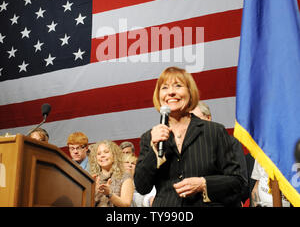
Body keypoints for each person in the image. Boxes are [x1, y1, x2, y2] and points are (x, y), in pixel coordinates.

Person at [134, 66, 247, 207]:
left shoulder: (214, 131)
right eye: (165, 88)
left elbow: (238, 182)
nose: (171, 93)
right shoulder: (149, 137)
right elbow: (141, 187)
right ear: (158, 96)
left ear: (190, 92)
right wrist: (154, 150)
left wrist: (203, 184)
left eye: (178, 86)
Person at [191, 100, 249, 205]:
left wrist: (239, 200)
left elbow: (241, 180)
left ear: (208, 118)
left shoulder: (230, 142)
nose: (194, 124)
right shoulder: (188, 146)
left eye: (197, 119)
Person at [89, 140, 134, 207]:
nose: (102, 156)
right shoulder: (93, 178)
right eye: (98, 154)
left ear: (114, 155)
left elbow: (126, 204)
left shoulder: (125, 176)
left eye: (106, 152)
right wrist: (94, 192)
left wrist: (109, 194)